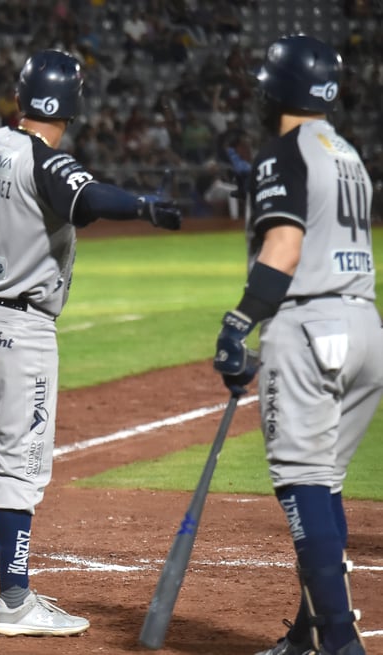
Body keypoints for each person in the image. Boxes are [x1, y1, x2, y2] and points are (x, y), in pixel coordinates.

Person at [0, 49, 181, 637]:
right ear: (75, 106)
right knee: (18, 467)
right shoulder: (45, 162)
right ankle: (13, 600)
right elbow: (89, 198)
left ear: (20, 96)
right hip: (20, 330)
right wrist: (145, 207)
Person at [212, 35, 383, 655]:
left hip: (308, 328)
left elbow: (283, 244)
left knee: (301, 482)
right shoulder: (348, 153)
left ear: (274, 89)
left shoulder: (284, 149)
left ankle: (339, 643)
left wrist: (240, 322)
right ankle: (311, 636)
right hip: (365, 327)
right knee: (325, 482)